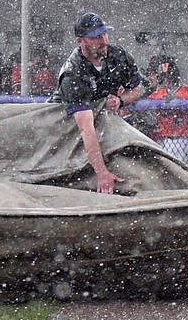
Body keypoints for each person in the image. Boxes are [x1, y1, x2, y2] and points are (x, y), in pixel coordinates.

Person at [49, 12, 145, 195]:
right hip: (65, 126)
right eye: (96, 37)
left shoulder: (118, 56)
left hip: (99, 123)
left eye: (104, 34)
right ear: (81, 41)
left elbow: (138, 88)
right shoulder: (73, 72)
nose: (104, 41)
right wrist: (102, 174)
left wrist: (121, 100)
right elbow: (86, 128)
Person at [147, 57, 188, 164]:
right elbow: (146, 104)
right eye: (164, 77)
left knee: (180, 169)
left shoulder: (184, 91)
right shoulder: (159, 93)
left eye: (169, 76)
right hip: (163, 138)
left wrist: (175, 101)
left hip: (180, 138)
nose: (167, 80)